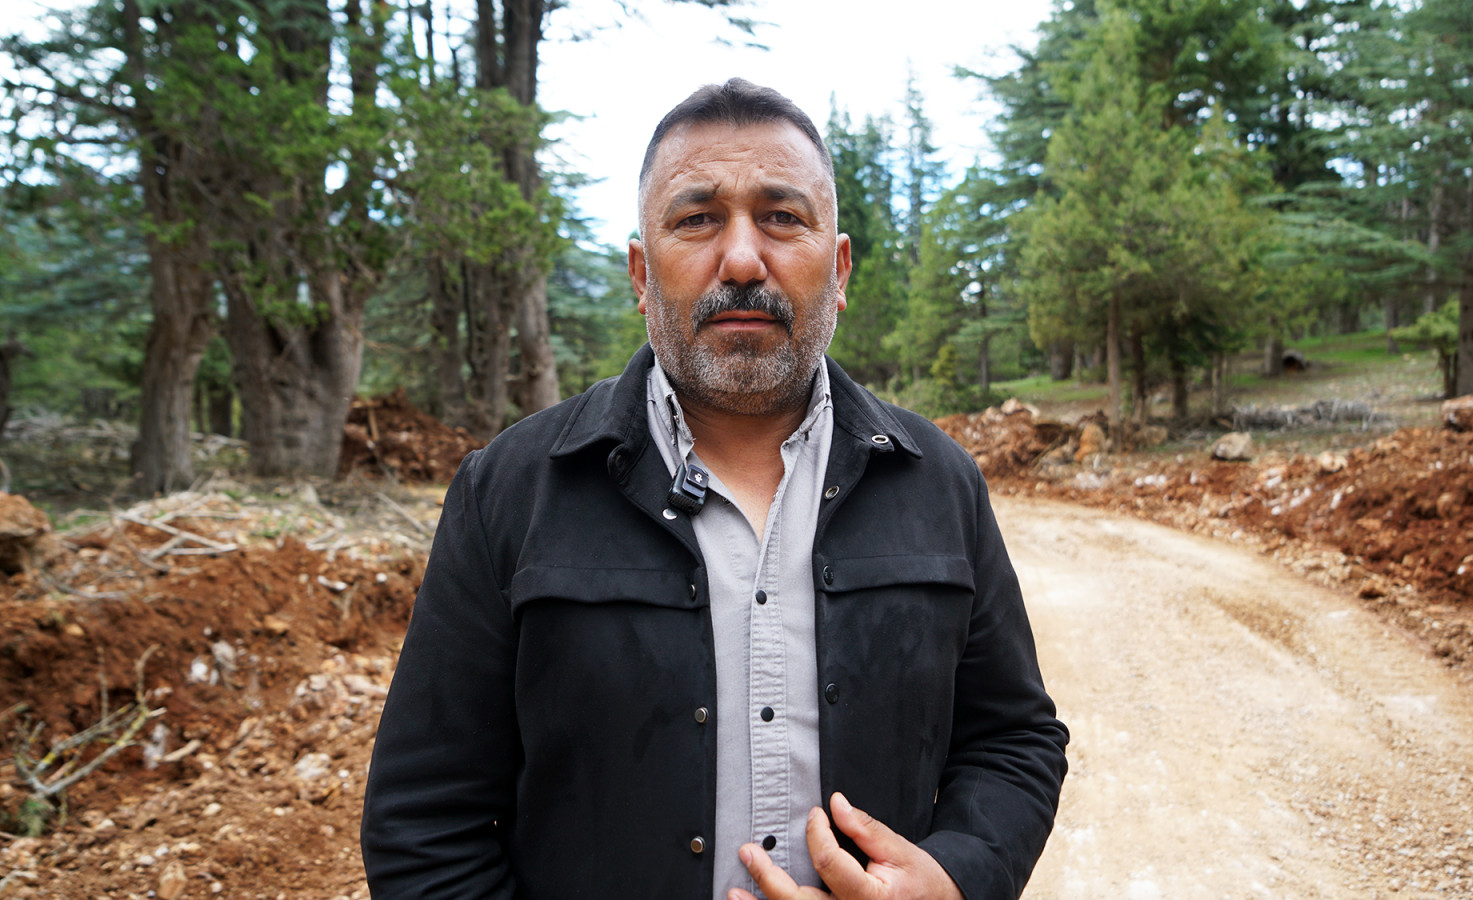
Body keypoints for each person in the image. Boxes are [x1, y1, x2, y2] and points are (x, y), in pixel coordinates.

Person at [360, 78, 1069, 900]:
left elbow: (1014, 739)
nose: (740, 259)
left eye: (782, 217)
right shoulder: (510, 493)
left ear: (838, 269)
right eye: (697, 219)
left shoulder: (939, 482)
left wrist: (956, 877)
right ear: (640, 273)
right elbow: (424, 824)